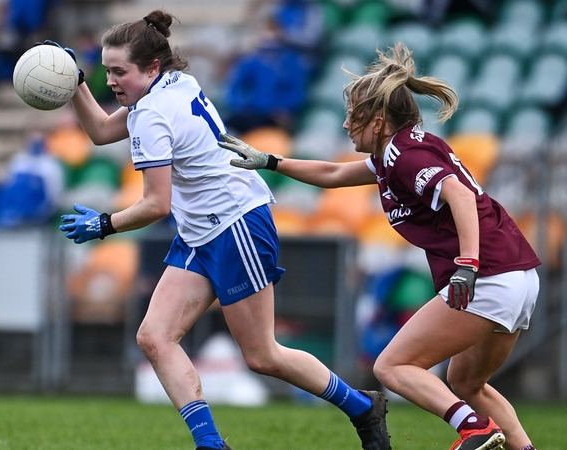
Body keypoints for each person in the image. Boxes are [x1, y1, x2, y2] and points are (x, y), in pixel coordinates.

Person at [47, 9, 391, 450]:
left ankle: (362, 407)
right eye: (107, 71)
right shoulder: (173, 85)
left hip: (235, 223)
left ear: (152, 67)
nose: (111, 81)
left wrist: (104, 224)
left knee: (263, 356)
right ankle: (210, 443)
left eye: (120, 72)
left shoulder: (151, 115)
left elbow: (156, 204)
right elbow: (98, 131)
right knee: (154, 336)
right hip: (202, 230)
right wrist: (76, 82)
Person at [220, 42, 541, 450]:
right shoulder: (395, 153)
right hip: (517, 275)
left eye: (352, 117)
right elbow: (333, 172)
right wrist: (269, 161)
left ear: (378, 120)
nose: (344, 126)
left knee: (392, 366)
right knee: (465, 382)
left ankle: (474, 429)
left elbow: (458, 195)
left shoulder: (406, 155)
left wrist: (468, 263)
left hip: (488, 275)